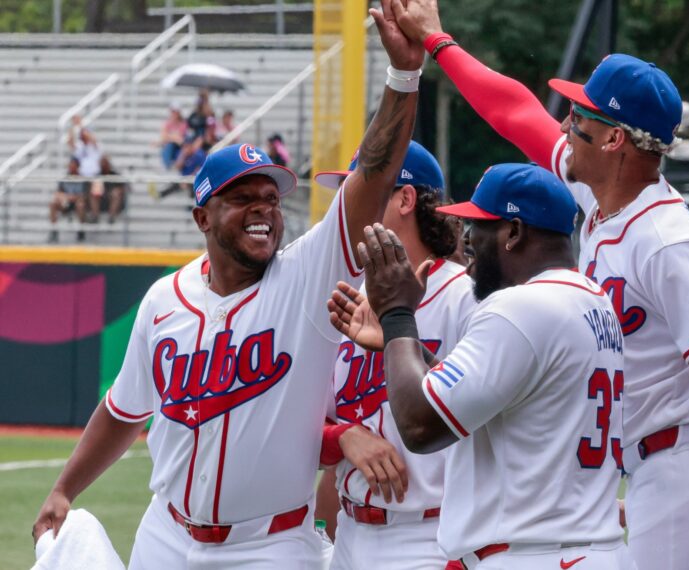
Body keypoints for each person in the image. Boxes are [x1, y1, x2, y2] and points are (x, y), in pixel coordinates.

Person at [390, 2, 689, 568]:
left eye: (581, 116)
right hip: (644, 468)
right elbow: (515, 111)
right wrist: (440, 44)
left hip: (685, 468)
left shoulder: (671, 241)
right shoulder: (600, 198)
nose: (566, 124)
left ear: (615, 141)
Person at [32, 2, 426, 566]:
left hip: (269, 544)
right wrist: (65, 486)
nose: (262, 209)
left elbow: (375, 171)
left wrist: (402, 77)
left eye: (271, 198)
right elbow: (124, 411)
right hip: (166, 534)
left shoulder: (305, 278)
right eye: (242, 198)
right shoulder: (164, 300)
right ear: (203, 217)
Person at [348, 163, 634, 569]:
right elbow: (500, 392)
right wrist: (405, 346)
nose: (465, 242)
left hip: (535, 554)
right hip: (585, 547)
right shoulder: (593, 298)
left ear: (514, 233)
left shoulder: (519, 307)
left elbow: (419, 426)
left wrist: (397, 315)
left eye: (478, 227)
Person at [315, 141, 476, 569]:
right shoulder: (345, 297)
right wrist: (343, 437)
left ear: (406, 199)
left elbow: (493, 415)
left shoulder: (465, 296)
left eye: (365, 193)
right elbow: (297, 422)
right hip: (350, 535)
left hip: (431, 535)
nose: (349, 209)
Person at [48, 157, 88, 243]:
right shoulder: (64, 178)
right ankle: (54, 230)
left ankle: (81, 230)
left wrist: (72, 197)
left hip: (77, 203)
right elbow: (58, 193)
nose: (71, 168)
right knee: (53, 203)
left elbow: (84, 195)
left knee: (81, 204)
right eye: (70, 166)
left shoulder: (83, 179)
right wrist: (65, 197)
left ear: (77, 167)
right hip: (65, 203)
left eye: (73, 166)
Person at [159, 102, 188, 170]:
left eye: (175, 111)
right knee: (169, 146)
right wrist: (174, 137)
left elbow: (181, 141)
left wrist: (170, 136)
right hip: (171, 147)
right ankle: (168, 167)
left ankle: (169, 168)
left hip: (179, 148)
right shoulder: (168, 123)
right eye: (173, 111)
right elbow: (163, 138)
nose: (174, 113)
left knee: (171, 146)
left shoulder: (183, 123)